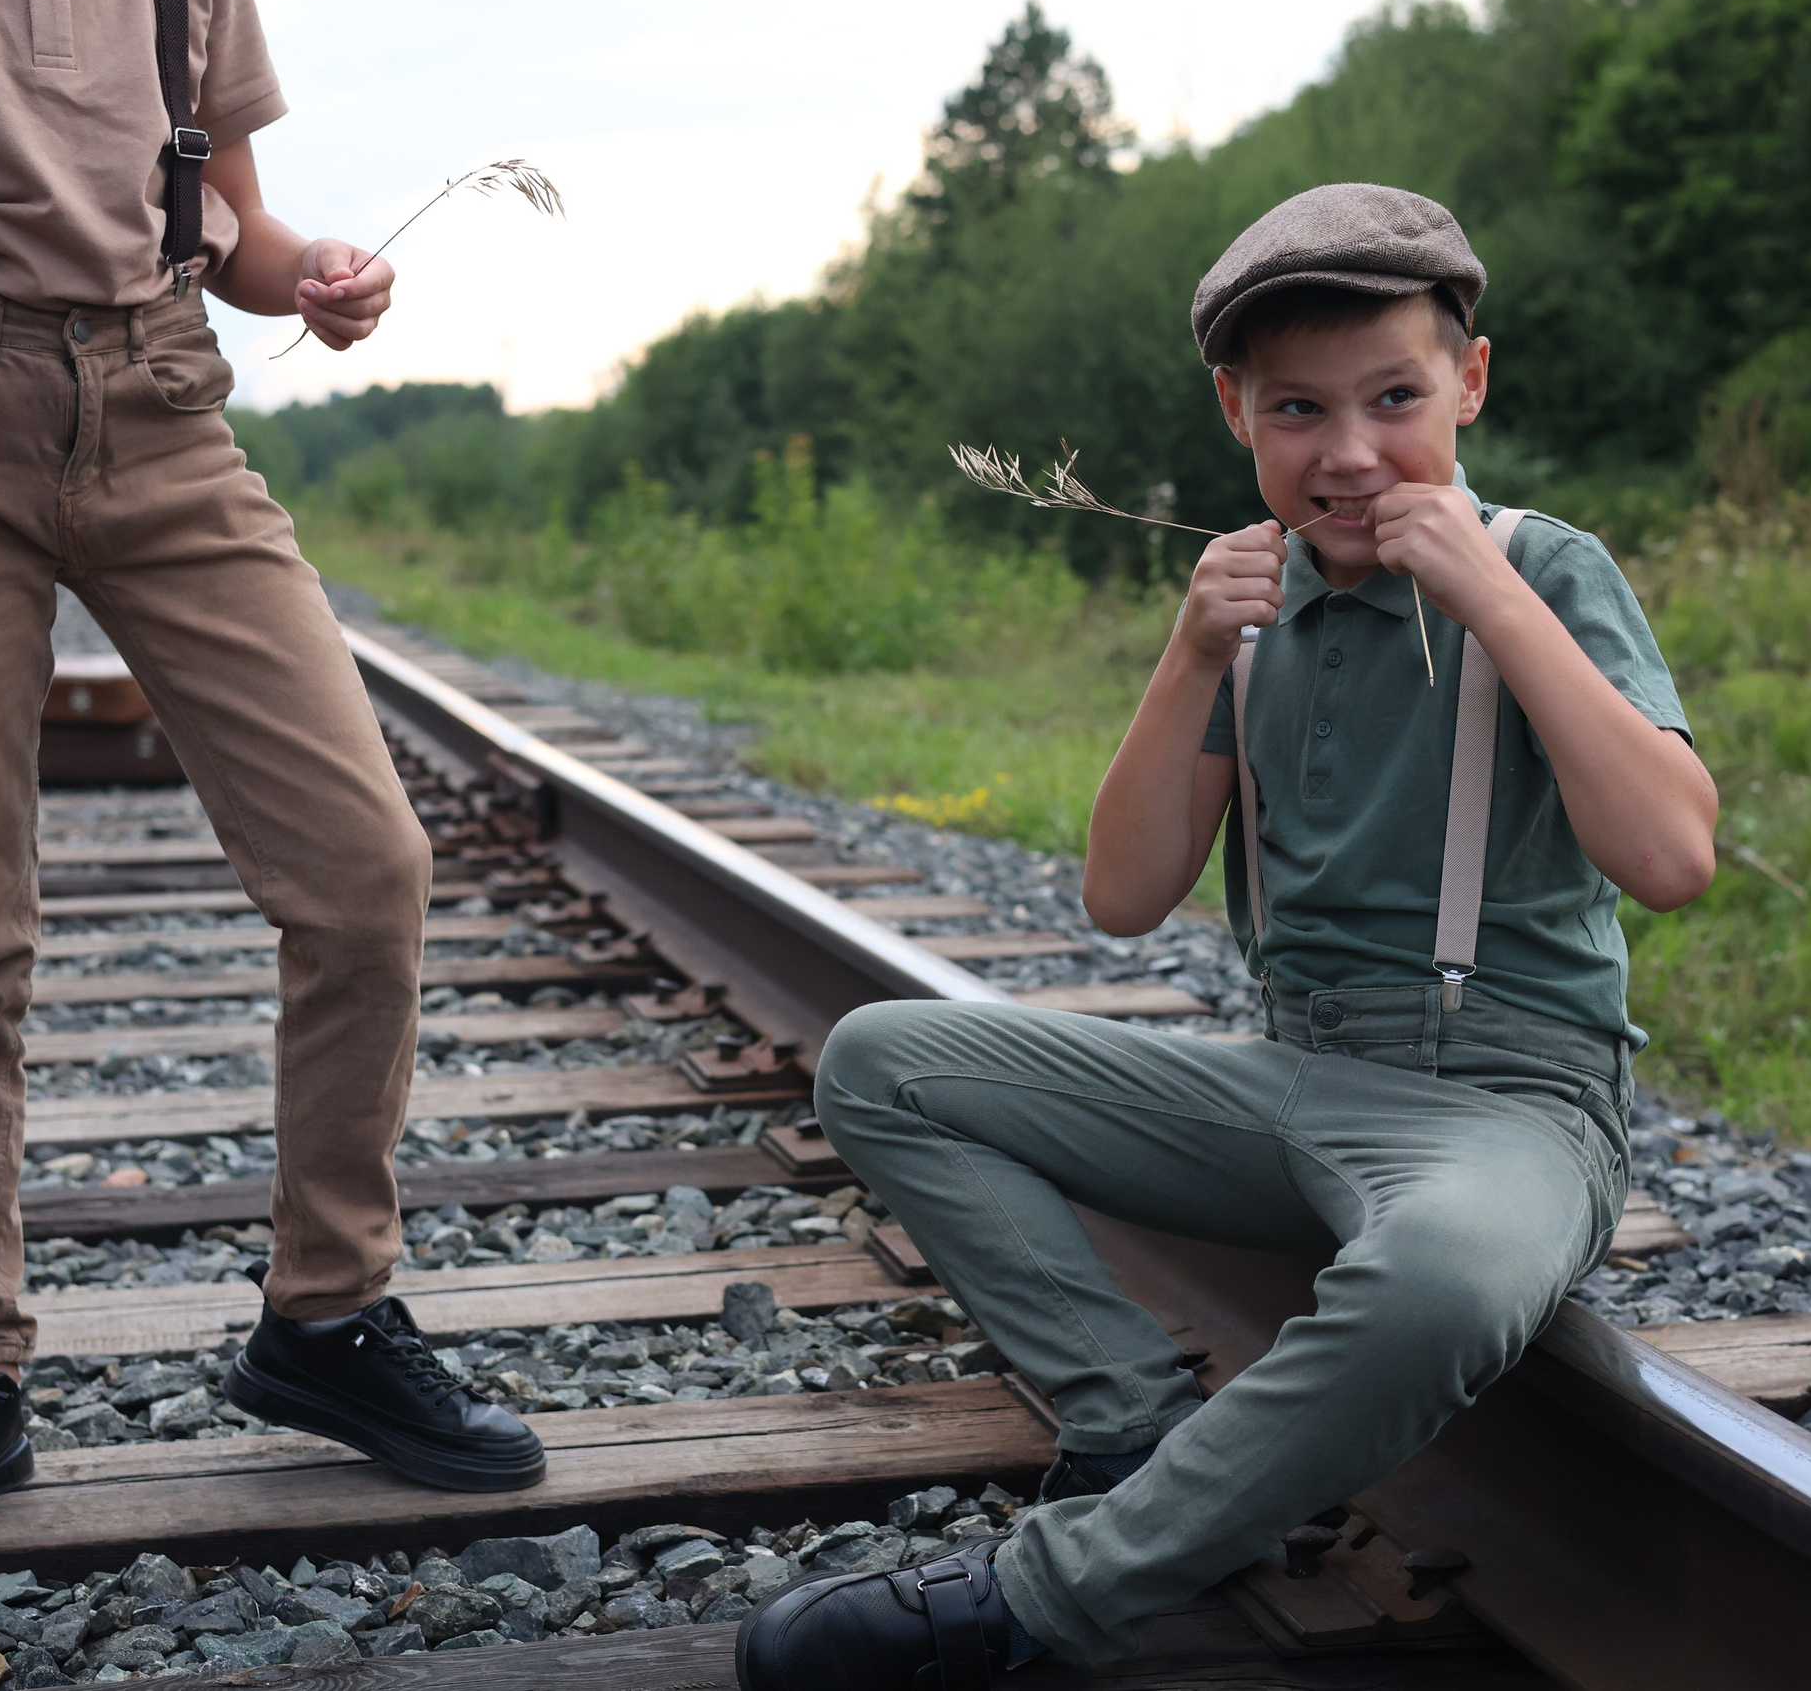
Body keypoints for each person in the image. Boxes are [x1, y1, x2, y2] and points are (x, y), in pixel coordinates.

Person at [736, 183, 1719, 1684]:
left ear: (1471, 379)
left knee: (1445, 1276)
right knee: (883, 1061)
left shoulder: (1551, 568)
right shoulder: (1249, 611)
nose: (1349, 452)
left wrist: (1496, 602)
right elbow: (1123, 896)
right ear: (1235, 414)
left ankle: (1046, 1599)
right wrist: (1189, 648)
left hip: (1510, 1105)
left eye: (1395, 399)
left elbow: (1669, 854)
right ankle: (1129, 1419)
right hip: (1295, 1081)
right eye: (1297, 412)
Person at [0, 0, 544, 1561]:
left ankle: (328, 1319)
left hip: (166, 412)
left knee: (370, 871)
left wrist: (324, 277)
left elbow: (235, 223)